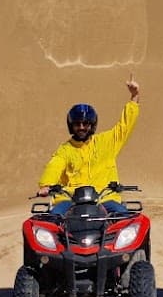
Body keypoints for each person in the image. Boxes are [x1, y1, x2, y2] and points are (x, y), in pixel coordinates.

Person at [36, 74, 141, 217]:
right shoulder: (65, 149)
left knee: (125, 220)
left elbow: (125, 126)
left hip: (104, 199)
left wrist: (134, 96)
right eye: (77, 124)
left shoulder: (106, 142)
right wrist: (46, 185)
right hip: (70, 201)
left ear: (91, 125)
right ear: (71, 126)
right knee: (52, 220)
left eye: (85, 124)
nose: (81, 127)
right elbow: (55, 166)